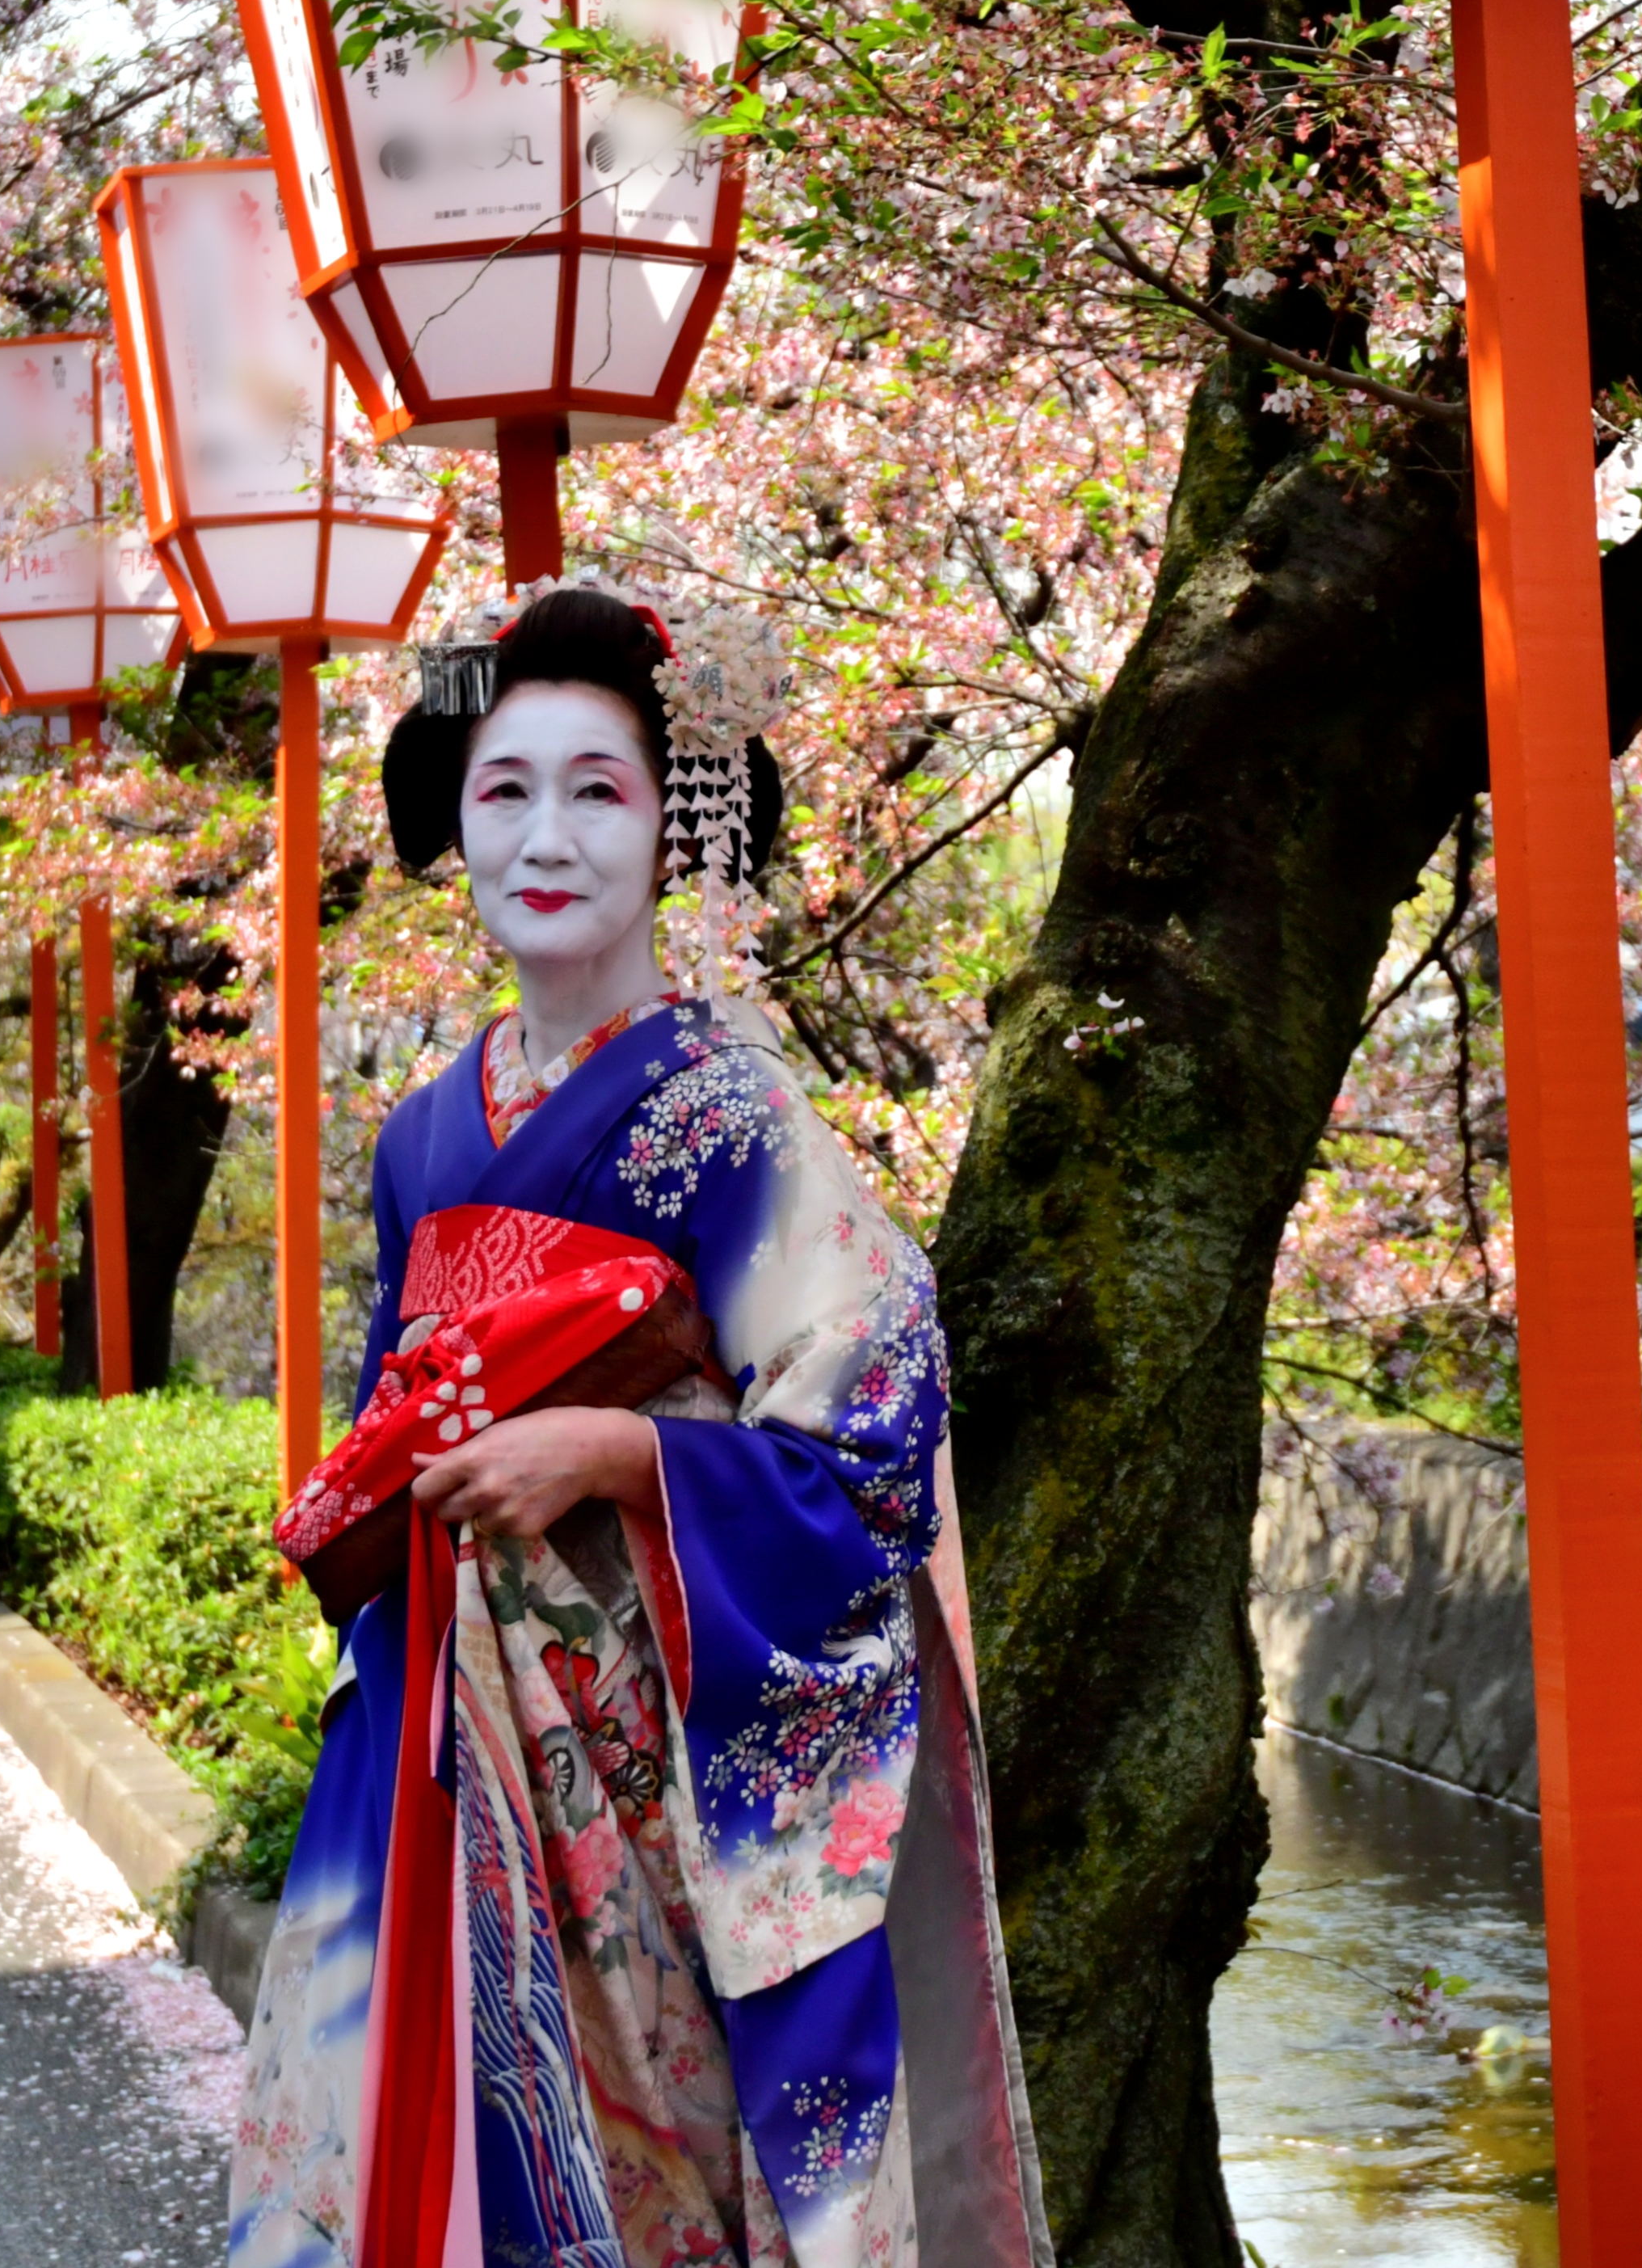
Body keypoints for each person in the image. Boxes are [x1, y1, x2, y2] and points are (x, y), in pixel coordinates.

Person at [229, 580, 1044, 2268]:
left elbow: (869, 1435)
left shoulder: (728, 1113)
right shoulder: (422, 1136)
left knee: (655, 2167)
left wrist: (612, 1452)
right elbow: (401, 1411)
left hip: (655, 1751)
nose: (547, 835)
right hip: (439, 1725)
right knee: (442, 2143)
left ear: (673, 824)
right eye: (504, 787)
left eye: (597, 789)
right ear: (452, 819)